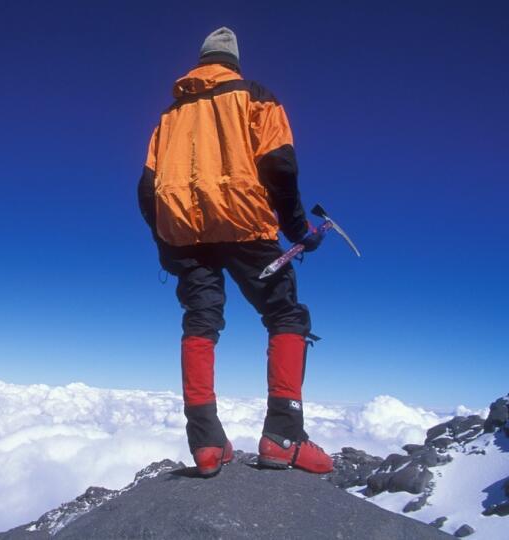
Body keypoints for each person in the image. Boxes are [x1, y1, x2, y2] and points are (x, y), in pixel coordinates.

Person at [137, 27, 334, 477]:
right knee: (285, 315)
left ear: (202, 60)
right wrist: (300, 230)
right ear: (235, 61)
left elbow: (146, 188)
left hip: (185, 231)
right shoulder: (257, 97)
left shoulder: (169, 117)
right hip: (246, 225)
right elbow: (279, 164)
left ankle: (206, 445)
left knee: (201, 321)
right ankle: (284, 438)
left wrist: (165, 243)